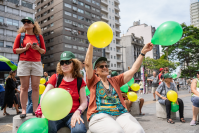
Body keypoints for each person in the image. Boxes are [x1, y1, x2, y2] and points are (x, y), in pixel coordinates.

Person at [85, 42, 153, 133]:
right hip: (100, 115)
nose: (105, 67)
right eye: (101, 66)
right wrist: (91, 44)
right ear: (95, 71)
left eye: (106, 65)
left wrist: (143, 52)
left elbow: (133, 70)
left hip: (120, 114)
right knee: (117, 131)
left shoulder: (115, 80)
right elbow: (87, 65)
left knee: (138, 130)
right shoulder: (93, 81)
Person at [39, 51, 87, 133]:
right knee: (46, 129)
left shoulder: (79, 80)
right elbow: (44, 96)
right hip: (55, 113)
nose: (64, 64)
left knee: (79, 131)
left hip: (72, 113)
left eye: (67, 62)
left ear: (74, 64)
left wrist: (78, 112)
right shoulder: (56, 78)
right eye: (62, 62)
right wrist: (45, 112)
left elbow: (84, 102)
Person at [13, 17, 46, 118]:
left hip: (36, 63)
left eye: (28, 22)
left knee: (36, 87)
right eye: (24, 22)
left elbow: (43, 51)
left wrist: (38, 48)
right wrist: (24, 48)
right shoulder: (20, 36)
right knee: (24, 87)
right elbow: (15, 50)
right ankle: (23, 110)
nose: (25, 23)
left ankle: (35, 110)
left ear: (33, 25)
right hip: (24, 62)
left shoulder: (39, 37)